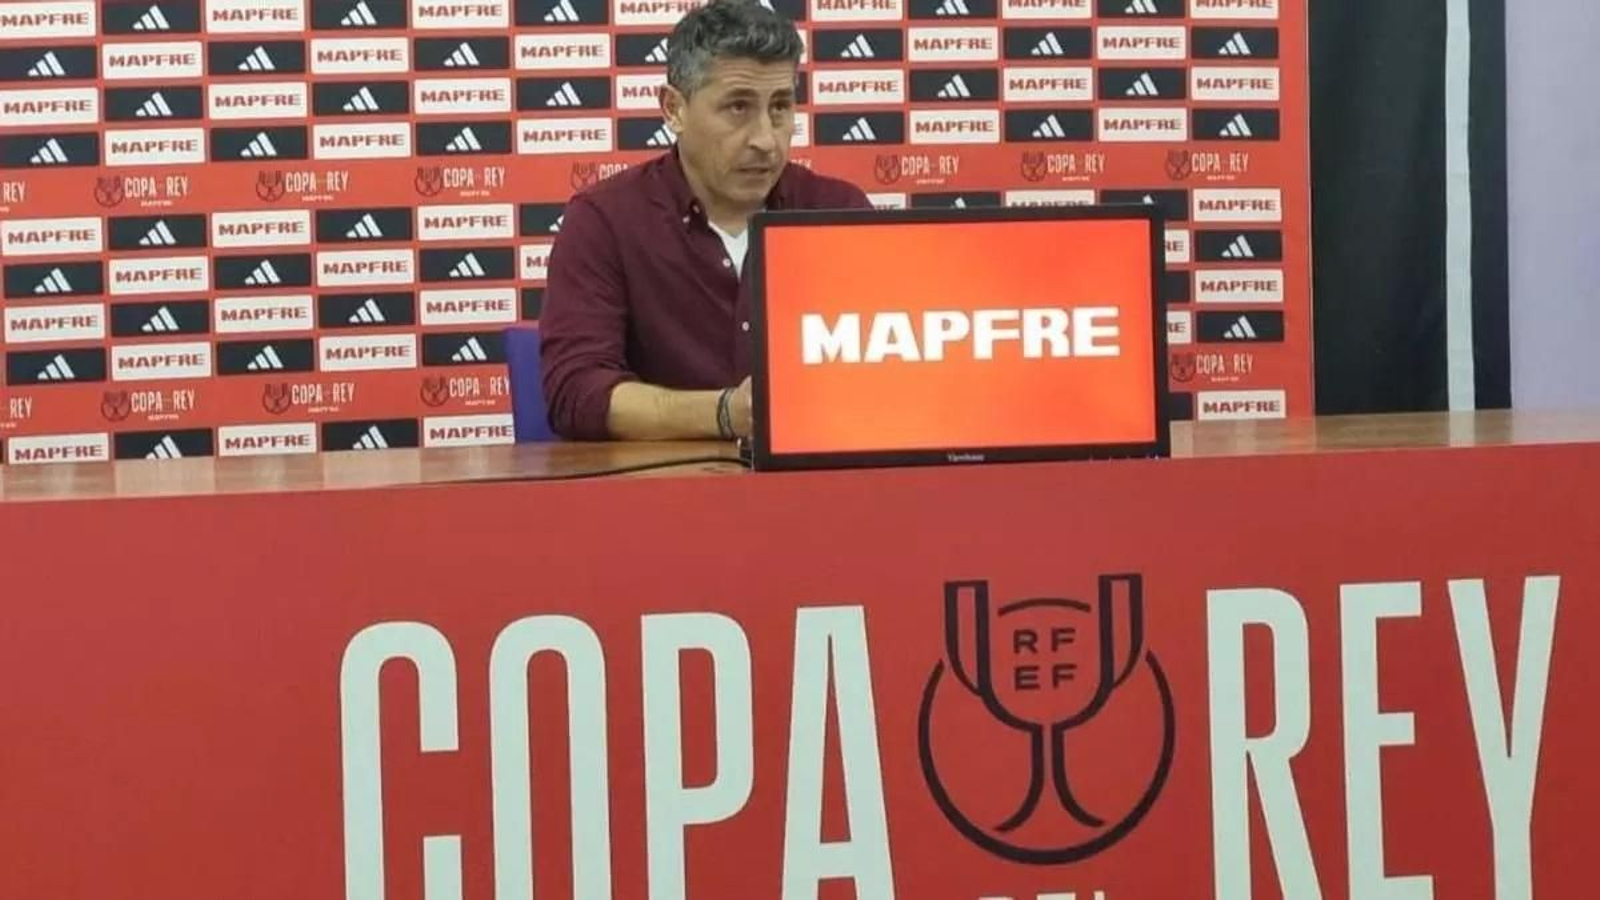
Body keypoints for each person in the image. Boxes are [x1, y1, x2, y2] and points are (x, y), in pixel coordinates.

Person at [538, 0, 871, 441]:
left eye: (780, 107)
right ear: (674, 109)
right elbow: (576, 394)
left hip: (816, 490)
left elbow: (888, 372)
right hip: (665, 496)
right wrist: (723, 413)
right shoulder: (605, 221)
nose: (765, 140)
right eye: (738, 108)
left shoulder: (838, 213)